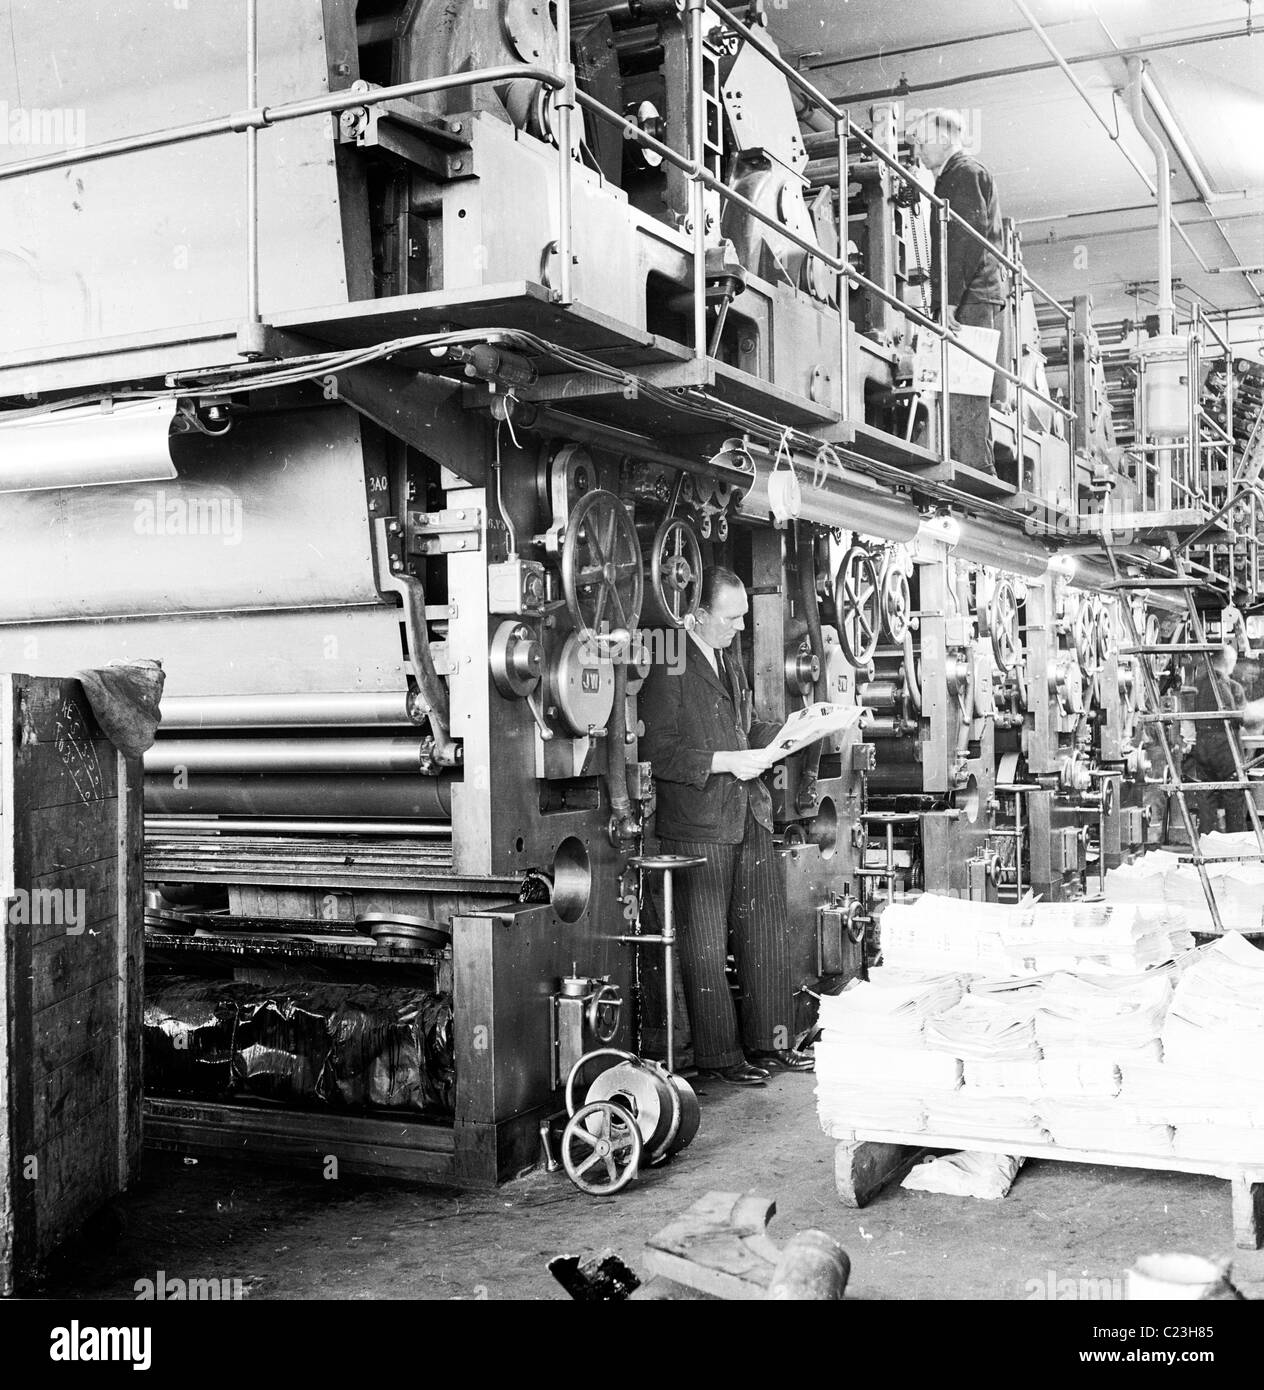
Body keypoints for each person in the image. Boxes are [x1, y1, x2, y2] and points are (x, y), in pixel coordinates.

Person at [638, 566, 813, 1087]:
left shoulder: (727, 657)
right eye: (731, 617)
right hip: (699, 823)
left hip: (748, 814)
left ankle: (774, 1042)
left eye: (743, 617)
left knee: (765, 936)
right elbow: (659, 751)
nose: (740, 626)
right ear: (697, 613)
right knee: (706, 946)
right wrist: (725, 761)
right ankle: (722, 1058)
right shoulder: (668, 663)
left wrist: (793, 730)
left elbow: (742, 729)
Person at [910, 108, 1008, 476]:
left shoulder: (965, 174)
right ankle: (971, 465)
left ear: (945, 136)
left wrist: (948, 300)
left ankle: (975, 471)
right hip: (970, 295)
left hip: (970, 297)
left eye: (922, 137)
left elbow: (965, 238)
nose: (917, 146)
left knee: (965, 388)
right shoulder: (954, 176)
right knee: (961, 388)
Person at [1191, 641, 1264, 835]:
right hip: (1225, 748)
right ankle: (1236, 843)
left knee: (1207, 797)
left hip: (1203, 746)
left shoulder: (1199, 684)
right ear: (1229, 662)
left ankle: (1207, 842)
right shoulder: (1224, 685)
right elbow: (1242, 718)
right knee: (1234, 795)